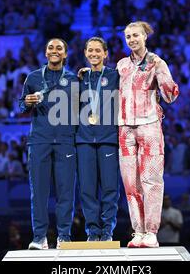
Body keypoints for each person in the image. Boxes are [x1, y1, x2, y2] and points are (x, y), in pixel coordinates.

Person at [117, 21, 179, 248]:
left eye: (135, 35)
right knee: (131, 185)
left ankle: (151, 232)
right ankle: (138, 231)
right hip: (124, 130)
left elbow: (170, 96)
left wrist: (163, 75)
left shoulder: (156, 62)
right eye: (128, 36)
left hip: (150, 127)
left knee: (151, 181)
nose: (131, 39)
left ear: (145, 37)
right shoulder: (121, 65)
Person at [19, 38, 78, 250]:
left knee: (65, 192)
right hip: (39, 141)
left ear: (65, 54)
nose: (54, 51)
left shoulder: (73, 79)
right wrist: (26, 102)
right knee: (39, 192)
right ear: (45, 53)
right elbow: (21, 104)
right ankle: (39, 238)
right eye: (51, 48)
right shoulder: (33, 77)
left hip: (65, 142)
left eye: (59, 48)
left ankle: (64, 237)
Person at [76, 37, 120, 242]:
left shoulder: (115, 76)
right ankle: (93, 231)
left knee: (110, 188)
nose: (94, 54)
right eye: (90, 50)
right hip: (84, 139)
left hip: (108, 138)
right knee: (87, 189)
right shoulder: (80, 78)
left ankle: (107, 231)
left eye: (98, 51)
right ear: (85, 53)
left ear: (105, 54)